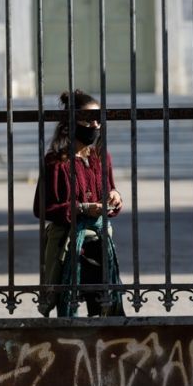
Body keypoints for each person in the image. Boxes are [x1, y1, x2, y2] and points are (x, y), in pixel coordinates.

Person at [33, 90, 125, 317]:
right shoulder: (56, 162)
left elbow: (109, 191)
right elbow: (42, 208)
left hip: (100, 244)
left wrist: (115, 196)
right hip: (69, 246)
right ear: (71, 123)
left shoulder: (102, 157)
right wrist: (82, 209)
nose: (94, 125)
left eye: (98, 120)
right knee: (69, 309)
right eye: (88, 120)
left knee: (106, 307)